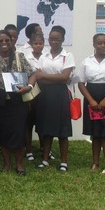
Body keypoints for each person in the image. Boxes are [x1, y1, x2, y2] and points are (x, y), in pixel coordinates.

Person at [77, 33, 105, 174]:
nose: (102, 46)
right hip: (91, 99)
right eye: (99, 43)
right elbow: (81, 83)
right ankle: (95, 163)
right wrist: (91, 100)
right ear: (94, 44)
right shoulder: (86, 61)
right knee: (95, 132)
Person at [0, 30, 35, 175]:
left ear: (12, 41)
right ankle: (7, 163)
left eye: (7, 40)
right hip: (1, 101)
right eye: (0, 41)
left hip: (18, 100)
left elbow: (32, 74)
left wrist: (29, 87)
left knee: (19, 132)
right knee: (3, 132)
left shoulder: (19, 56)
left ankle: (19, 164)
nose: (4, 43)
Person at [32, 25, 75, 172]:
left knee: (63, 130)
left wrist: (46, 76)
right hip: (45, 95)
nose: (54, 41)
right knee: (46, 128)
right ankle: (45, 159)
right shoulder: (43, 56)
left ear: (63, 39)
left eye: (57, 39)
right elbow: (39, 78)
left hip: (60, 95)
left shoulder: (67, 56)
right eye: (51, 39)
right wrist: (57, 78)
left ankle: (64, 162)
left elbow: (65, 77)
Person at [23, 32, 44, 161]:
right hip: (30, 93)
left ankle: (44, 148)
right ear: (31, 44)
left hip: (44, 92)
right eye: (35, 43)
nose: (38, 46)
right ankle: (29, 150)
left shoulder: (47, 57)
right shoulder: (26, 57)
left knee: (43, 122)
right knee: (28, 123)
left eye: (40, 43)